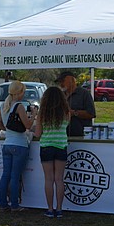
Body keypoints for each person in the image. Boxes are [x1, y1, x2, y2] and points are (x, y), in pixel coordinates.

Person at [0, 80, 34, 211]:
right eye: (23, 91)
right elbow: (28, 125)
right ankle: (15, 205)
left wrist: (10, 129)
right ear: (19, 92)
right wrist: (33, 114)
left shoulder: (3, 106)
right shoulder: (19, 106)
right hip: (20, 144)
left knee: (5, 175)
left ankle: (3, 204)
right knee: (15, 176)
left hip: (7, 144)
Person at [33, 86, 70, 218]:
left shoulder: (42, 113)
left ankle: (50, 209)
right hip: (61, 145)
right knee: (59, 179)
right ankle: (59, 209)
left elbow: (37, 134)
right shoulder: (66, 112)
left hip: (46, 146)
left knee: (48, 179)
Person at [56, 71, 95, 137]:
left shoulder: (84, 94)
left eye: (63, 81)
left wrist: (74, 113)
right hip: (63, 136)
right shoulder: (60, 95)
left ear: (72, 80)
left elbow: (91, 113)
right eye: (59, 82)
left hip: (81, 136)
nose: (61, 84)